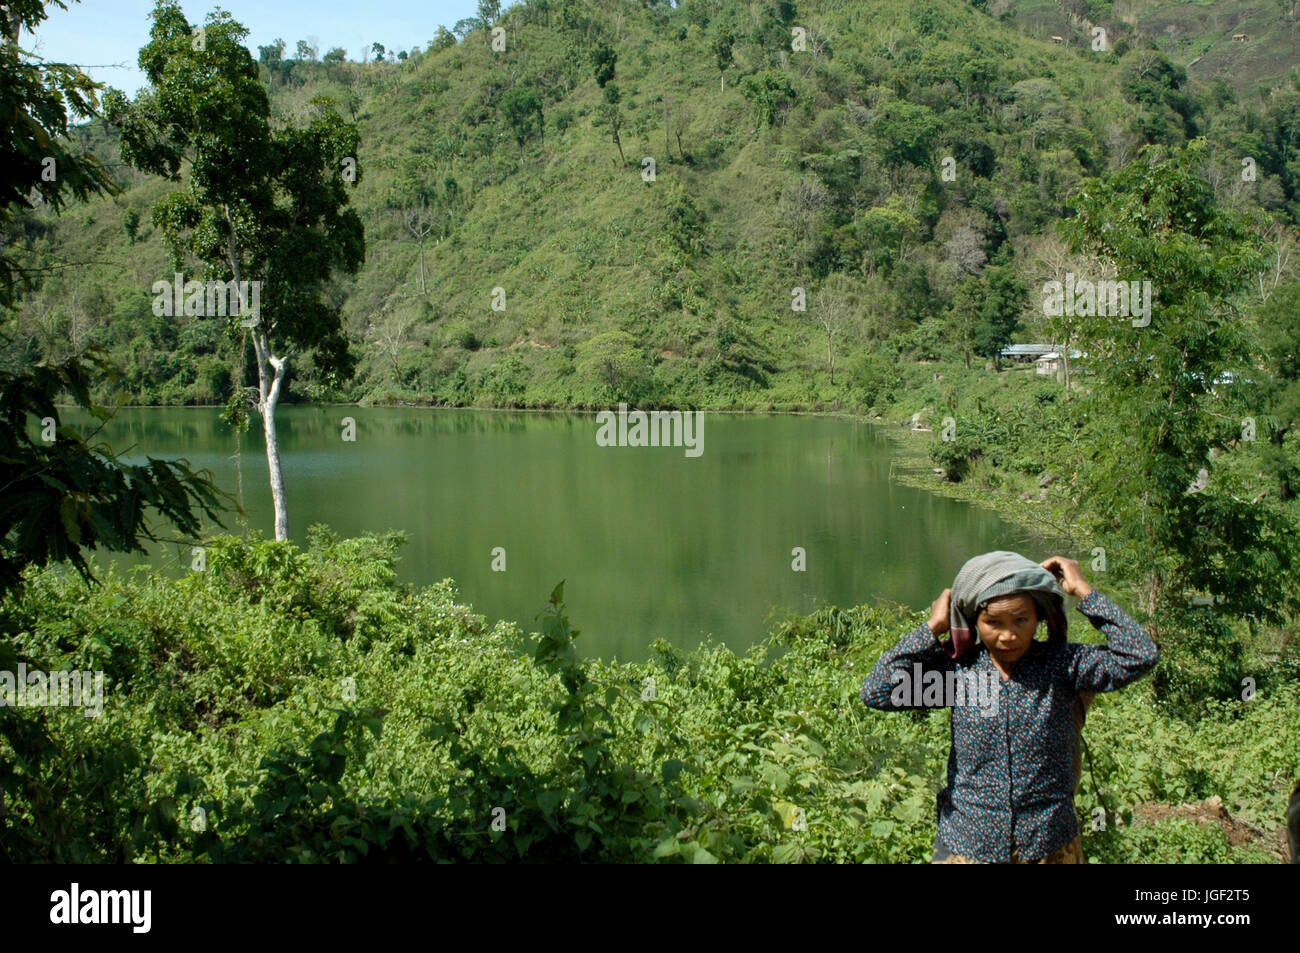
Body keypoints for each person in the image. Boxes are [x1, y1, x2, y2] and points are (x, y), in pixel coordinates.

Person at [860, 551, 1159, 863]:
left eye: (1021, 620)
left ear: (1039, 618)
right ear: (974, 620)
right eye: (993, 622)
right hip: (967, 843)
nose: (1008, 635)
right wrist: (933, 627)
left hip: (1049, 842)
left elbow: (1140, 655)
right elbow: (877, 692)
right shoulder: (959, 674)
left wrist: (1083, 590)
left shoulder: (1062, 666)